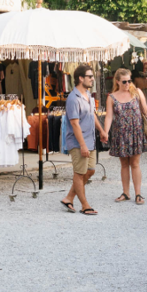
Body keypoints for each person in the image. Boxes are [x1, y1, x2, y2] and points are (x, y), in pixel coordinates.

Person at [104, 69, 147, 205]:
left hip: (136, 132)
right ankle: (126, 192)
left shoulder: (137, 92)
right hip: (120, 133)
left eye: (129, 81)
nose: (127, 83)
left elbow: (146, 110)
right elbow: (109, 116)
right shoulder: (111, 97)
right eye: (124, 81)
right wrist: (105, 132)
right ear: (117, 81)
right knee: (124, 164)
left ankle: (138, 193)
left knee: (135, 163)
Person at [60, 65, 108, 215]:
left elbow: (92, 114)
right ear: (81, 78)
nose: (93, 79)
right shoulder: (73, 99)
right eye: (90, 76)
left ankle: (69, 198)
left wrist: (101, 131)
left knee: (91, 170)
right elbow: (74, 123)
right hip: (78, 141)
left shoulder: (89, 95)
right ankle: (85, 205)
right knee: (79, 173)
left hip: (90, 139)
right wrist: (82, 145)